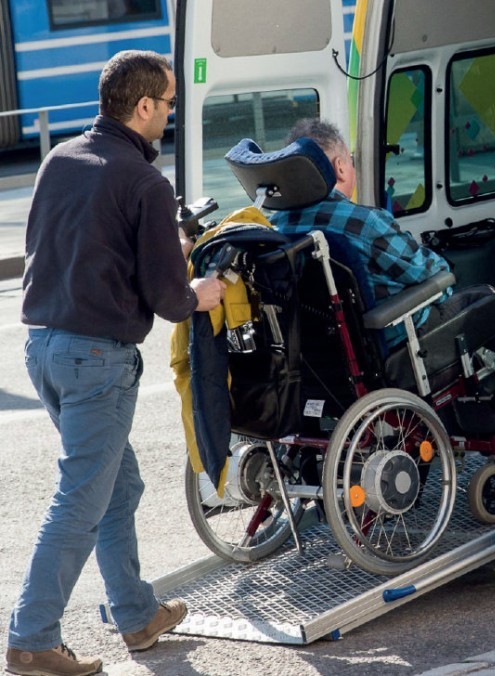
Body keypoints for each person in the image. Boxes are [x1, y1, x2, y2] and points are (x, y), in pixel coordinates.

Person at [6, 50, 225, 676]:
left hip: (44, 348)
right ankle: (32, 638)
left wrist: (160, 241)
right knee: (80, 499)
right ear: (144, 106)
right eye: (171, 102)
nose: (173, 112)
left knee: (119, 486)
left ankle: (135, 616)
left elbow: (75, 246)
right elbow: (167, 298)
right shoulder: (145, 183)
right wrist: (199, 291)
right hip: (97, 359)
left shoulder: (61, 159)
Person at [269, 118, 495, 349]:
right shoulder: (364, 222)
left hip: (320, 356)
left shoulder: (275, 227)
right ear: (340, 167)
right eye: (351, 161)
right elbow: (430, 272)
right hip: (390, 344)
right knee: (489, 302)